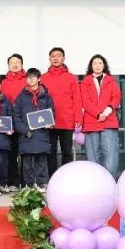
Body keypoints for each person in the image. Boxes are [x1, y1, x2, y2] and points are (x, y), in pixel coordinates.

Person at [40, 47, 82, 175]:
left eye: (59, 55)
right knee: (50, 152)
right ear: (49, 59)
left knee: (67, 152)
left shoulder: (71, 78)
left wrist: (78, 118)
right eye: (53, 56)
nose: (56, 58)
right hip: (49, 122)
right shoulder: (43, 78)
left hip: (67, 120)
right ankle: (52, 178)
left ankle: (66, 178)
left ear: (63, 58)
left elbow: (77, 99)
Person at [80, 53, 122, 179]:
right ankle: (96, 183)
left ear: (104, 66)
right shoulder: (85, 82)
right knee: (92, 156)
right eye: (94, 63)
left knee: (110, 155)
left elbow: (116, 98)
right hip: (91, 122)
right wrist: (98, 114)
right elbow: (85, 101)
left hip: (108, 122)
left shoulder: (111, 81)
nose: (97, 65)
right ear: (91, 66)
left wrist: (106, 112)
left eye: (100, 63)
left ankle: (110, 182)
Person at [13, 68, 55, 188]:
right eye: (28, 77)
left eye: (33, 77)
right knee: (27, 162)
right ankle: (29, 184)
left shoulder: (46, 96)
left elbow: (52, 113)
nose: (30, 79)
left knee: (41, 161)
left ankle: (41, 184)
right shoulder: (21, 97)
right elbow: (16, 116)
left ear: (39, 79)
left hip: (42, 133)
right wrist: (24, 130)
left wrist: (50, 122)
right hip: (26, 134)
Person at [0, 54, 27, 189]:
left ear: (22, 64)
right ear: (8, 65)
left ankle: (27, 181)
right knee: (11, 154)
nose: (15, 64)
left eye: (18, 62)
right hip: (8, 123)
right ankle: (13, 182)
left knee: (26, 153)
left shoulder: (28, 80)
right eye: (12, 62)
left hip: (24, 122)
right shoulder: (3, 83)